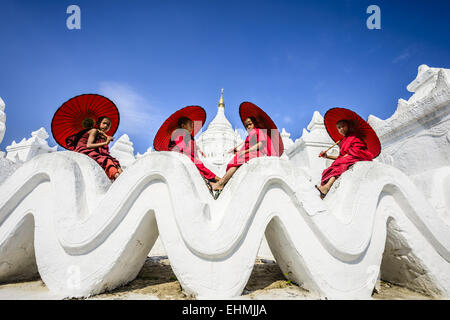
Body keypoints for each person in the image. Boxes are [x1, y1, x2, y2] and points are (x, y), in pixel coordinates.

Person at [211, 116, 274, 196]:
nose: (248, 127)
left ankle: (221, 183)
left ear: (254, 124)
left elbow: (260, 144)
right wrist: (238, 152)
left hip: (258, 153)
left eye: (250, 124)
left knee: (237, 162)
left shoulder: (259, 131)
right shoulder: (249, 136)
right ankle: (222, 182)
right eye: (246, 126)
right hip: (250, 153)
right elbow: (247, 148)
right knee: (235, 161)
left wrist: (246, 151)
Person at [315, 119, 374, 199]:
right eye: (339, 128)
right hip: (345, 159)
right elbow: (341, 156)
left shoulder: (355, 136)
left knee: (341, 163)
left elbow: (358, 150)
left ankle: (327, 187)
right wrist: (327, 156)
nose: (341, 129)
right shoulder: (342, 141)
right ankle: (325, 188)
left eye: (343, 126)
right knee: (333, 166)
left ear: (348, 126)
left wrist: (349, 153)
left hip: (355, 157)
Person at [169, 116, 220, 195]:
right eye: (190, 125)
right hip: (181, 156)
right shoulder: (177, 133)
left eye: (192, 125)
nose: (192, 127)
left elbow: (193, 151)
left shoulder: (190, 137)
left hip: (189, 156)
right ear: (183, 126)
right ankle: (215, 179)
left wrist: (197, 151)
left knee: (198, 163)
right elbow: (182, 148)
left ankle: (212, 181)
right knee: (195, 162)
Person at [69, 116, 123, 181]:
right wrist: (106, 142)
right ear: (98, 123)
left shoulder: (102, 136)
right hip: (85, 150)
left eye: (108, 125)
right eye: (104, 123)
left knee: (115, 162)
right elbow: (89, 145)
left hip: (94, 151)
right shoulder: (94, 131)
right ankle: (117, 177)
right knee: (107, 160)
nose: (106, 126)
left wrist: (105, 139)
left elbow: (103, 151)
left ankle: (123, 176)